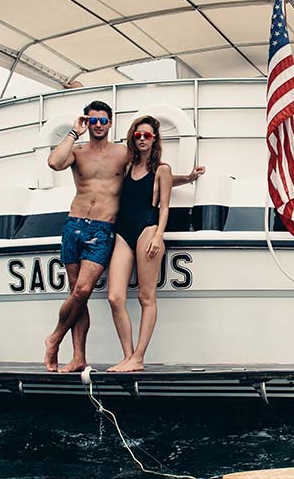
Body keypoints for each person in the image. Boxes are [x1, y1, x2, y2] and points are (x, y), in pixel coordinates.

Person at [43, 102, 203, 372]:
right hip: (79, 226)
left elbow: (154, 175)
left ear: (110, 122)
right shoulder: (81, 152)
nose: (98, 125)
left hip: (109, 229)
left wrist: (186, 178)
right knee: (89, 296)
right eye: (93, 121)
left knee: (88, 291)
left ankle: (56, 338)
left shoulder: (122, 155)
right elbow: (54, 162)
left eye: (103, 121)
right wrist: (74, 132)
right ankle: (83, 356)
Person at [106, 116, 171, 372]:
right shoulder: (127, 167)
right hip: (123, 233)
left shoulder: (162, 169)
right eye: (138, 135)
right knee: (115, 297)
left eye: (147, 135)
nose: (142, 139)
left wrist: (158, 236)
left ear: (154, 139)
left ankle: (139, 357)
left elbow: (165, 206)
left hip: (148, 231)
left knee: (146, 297)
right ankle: (128, 356)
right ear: (133, 137)